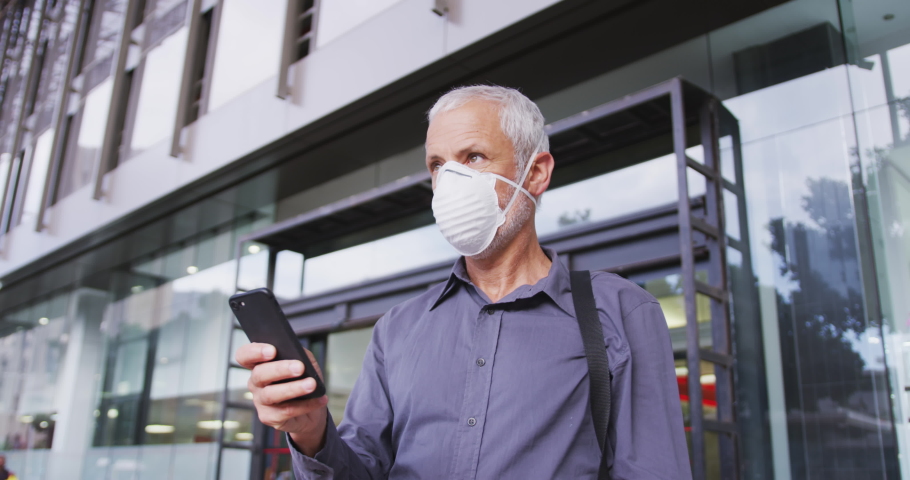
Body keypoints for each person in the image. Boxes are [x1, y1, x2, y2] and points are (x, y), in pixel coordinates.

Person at [237, 86, 691, 479]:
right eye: (437, 165)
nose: (450, 182)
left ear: (535, 173)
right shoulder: (398, 330)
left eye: (473, 157)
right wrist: (312, 429)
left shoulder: (620, 311)